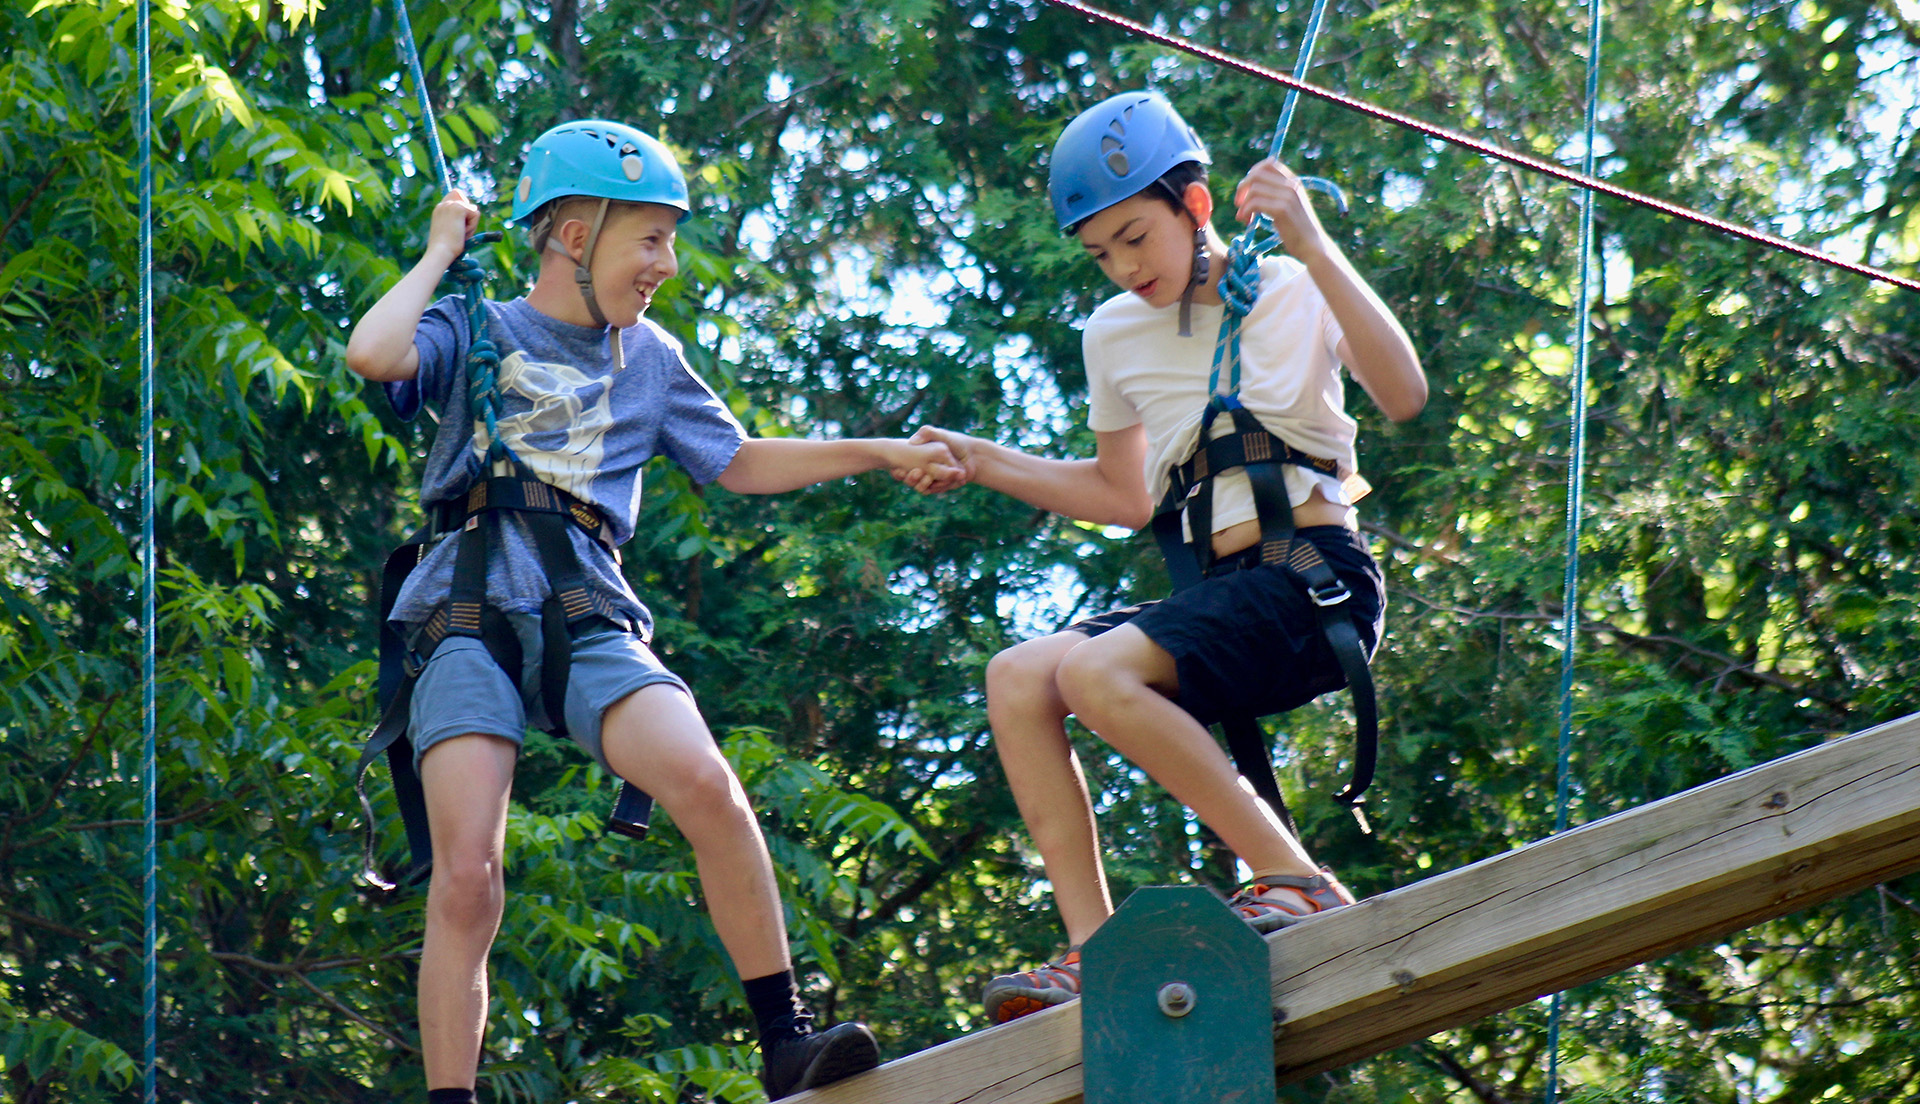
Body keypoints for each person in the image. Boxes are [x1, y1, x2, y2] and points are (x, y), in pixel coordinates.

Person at [346, 120, 959, 1100]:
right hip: (464, 611)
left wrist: (878, 451)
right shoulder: (473, 324)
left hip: (586, 609)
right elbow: (373, 353)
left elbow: (740, 461)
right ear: (574, 236)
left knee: (708, 784)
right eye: (652, 239)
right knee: (467, 873)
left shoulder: (652, 359)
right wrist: (436, 254)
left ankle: (783, 1039)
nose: (667, 265)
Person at [896, 90, 1427, 1024]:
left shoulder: (1294, 287)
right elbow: (1123, 496)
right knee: (1019, 677)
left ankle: (1294, 878)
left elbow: (1404, 393)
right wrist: (982, 461)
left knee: (1095, 672)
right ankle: (1095, 950)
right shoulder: (1113, 333)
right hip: (1221, 596)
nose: (1125, 266)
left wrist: (1311, 241)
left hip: (1312, 580)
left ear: (1196, 206)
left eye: (1136, 237)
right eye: (1102, 252)